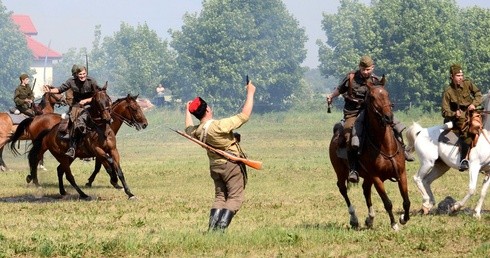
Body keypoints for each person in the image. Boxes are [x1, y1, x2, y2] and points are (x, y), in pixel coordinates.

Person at [326, 55, 414, 183]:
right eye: (363, 69)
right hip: (353, 112)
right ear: (359, 68)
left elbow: (381, 95)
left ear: (372, 68)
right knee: (348, 133)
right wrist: (331, 96)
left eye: (368, 69)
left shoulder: (375, 80)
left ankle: (403, 150)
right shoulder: (351, 78)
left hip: (371, 111)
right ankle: (353, 169)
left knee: (395, 124)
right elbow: (340, 89)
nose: (366, 72)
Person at [184, 80, 256, 232]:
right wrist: (250, 92)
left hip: (215, 166)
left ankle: (212, 228)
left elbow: (187, 129)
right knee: (235, 197)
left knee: (220, 197)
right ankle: (220, 229)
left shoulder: (197, 131)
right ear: (208, 109)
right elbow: (244, 116)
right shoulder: (218, 126)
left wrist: (187, 110)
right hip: (231, 165)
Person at [43, 65, 101, 158]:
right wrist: (50, 90)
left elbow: (98, 95)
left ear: (86, 73)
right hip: (77, 106)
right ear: (76, 75)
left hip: (91, 105)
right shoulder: (71, 81)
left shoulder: (92, 81)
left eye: (84, 74)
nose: (82, 76)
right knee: (76, 123)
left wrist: (87, 100)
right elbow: (60, 89)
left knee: (105, 114)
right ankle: (72, 147)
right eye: (80, 74)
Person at [441, 63, 482, 171]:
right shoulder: (448, 92)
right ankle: (464, 160)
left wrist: (474, 104)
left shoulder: (468, 83)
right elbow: (444, 111)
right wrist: (454, 114)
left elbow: (478, 93)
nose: (461, 77)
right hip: (458, 118)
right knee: (466, 133)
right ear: (452, 77)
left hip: (472, 111)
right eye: (458, 76)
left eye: (462, 75)